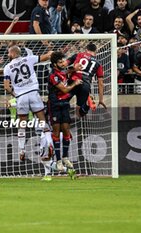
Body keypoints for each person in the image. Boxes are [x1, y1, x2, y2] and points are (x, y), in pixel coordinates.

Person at [3, 45, 53, 161]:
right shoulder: (29, 59)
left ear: (14, 53)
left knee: (22, 124)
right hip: (34, 93)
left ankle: (22, 150)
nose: (8, 55)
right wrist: (51, 51)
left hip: (21, 97)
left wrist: (16, 95)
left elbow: (6, 87)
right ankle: (50, 144)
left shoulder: (7, 67)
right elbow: (45, 57)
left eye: (9, 53)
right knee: (42, 120)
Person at [47, 51, 82, 180]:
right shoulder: (53, 76)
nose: (63, 63)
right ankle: (58, 160)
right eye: (61, 62)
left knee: (67, 131)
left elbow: (65, 72)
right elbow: (65, 89)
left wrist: (74, 68)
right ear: (55, 64)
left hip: (65, 104)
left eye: (63, 61)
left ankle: (65, 157)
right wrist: (75, 83)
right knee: (56, 132)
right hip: (55, 105)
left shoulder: (61, 72)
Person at [66, 43, 105, 117]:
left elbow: (65, 64)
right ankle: (86, 105)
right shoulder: (99, 64)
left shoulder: (78, 55)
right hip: (85, 86)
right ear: (95, 51)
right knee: (80, 112)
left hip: (74, 81)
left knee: (62, 103)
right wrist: (101, 99)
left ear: (86, 50)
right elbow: (100, 83)